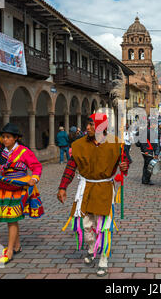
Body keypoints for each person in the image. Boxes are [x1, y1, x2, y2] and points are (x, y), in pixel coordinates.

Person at [57, 113, 129, 277]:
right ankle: (91, 246)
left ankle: (103, 258)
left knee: (103, 225)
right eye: (87, 124)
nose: (87, 128)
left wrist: (125, 167)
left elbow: (125, 163)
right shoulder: (78, 144)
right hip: (85, 188)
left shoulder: (116, 143)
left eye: (91, 124)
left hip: (104, 188)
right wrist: (63, 187)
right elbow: (70, 168)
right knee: (84, 224)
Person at [0, 123, 44, 265]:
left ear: (15, 138)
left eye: (8, 137)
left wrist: (34, 178)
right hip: (3, 187)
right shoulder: (1, 153)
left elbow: (36, 166)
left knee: (11, 217)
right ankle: (16, 246)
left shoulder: (24, 151)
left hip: (18, 187)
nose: (5, 139)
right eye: (3, 137)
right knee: (10, 218)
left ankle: (9, 251)